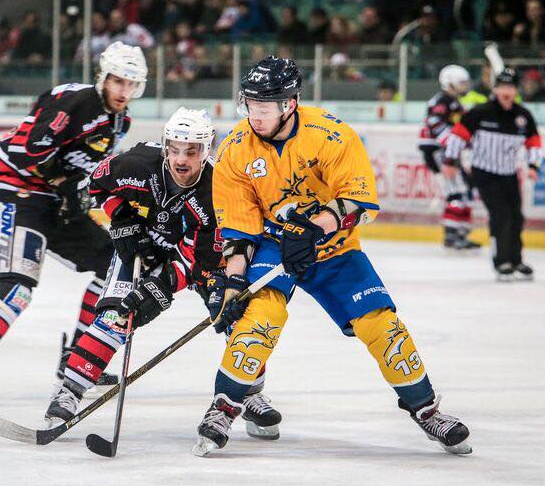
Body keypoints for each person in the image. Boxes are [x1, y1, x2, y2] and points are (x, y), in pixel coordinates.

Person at [192, 56, 471, 457]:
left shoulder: (330, 134)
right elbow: (239, 227)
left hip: (334, 247)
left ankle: (425, 409)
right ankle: (224, 406)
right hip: (273, 245)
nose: (254, 115)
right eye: (249, 105)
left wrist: (312, 229)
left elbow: (358, 201)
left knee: (382, 325)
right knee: (261, 316)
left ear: (290, 104)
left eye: (264, 107)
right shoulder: (236, 149)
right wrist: (235, 279)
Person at [0, 42, 148, 406]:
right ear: (103, 77)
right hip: (15, 191)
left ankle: (77, 358)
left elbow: (83, 171)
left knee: (112, 263)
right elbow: (32, 151)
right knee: (16, 287)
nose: (123, 90)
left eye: (131, 84)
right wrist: (67, 185)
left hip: (50, 199)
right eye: (118, 81)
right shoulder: (73, 100)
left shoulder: (121, 121)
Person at [44, 107, 282, 439]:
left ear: (206, 150)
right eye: (175, 148)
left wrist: (160, 286)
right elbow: (96, 185)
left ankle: (249, 392)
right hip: (141, 246)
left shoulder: (218, 190)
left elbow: (198, 258)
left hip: (198, 261)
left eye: (192, 150)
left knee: (234, 315)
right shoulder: (137, 164)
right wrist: (123, 220)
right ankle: (71, 389)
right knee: (116, 314)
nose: (182, 158)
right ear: (165, 145)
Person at [443, 68, 542, 281]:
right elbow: (457, 136)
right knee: (501, 215)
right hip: (484, 173)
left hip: (508, 174)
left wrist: (533, 166)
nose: (506, 91)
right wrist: (450, 161)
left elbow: (533, 142)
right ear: (496, 89)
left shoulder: (522, 116)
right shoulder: (480, 112)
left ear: (516, 90)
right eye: (502, 87)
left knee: (516, 217)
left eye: (510, 87)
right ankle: (501, 262)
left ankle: (516, 260)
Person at [418, 65, 480, 250]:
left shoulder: (455, 103)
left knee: (465, 190)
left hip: (448, 152)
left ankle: (460, 232)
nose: (465, 86)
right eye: (461, 82)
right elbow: (436, 125)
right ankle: (452, 235)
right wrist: (455, 144)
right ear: (449, 82)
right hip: (438, 152)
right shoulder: (441, 102)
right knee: (455, 192)